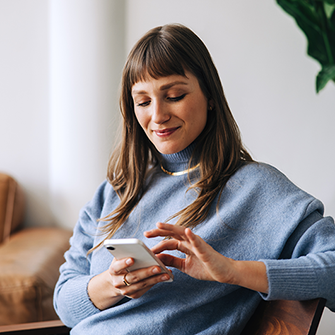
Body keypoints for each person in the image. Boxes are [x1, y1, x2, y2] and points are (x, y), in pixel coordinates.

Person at [53, 24, 335, 335]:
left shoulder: (256, 189)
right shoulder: (116, 192)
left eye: (174, 95)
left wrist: (232, 271)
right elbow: (65, 304)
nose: (158, 115)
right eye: (143, 102)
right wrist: (112, 283)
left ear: (210, 96)